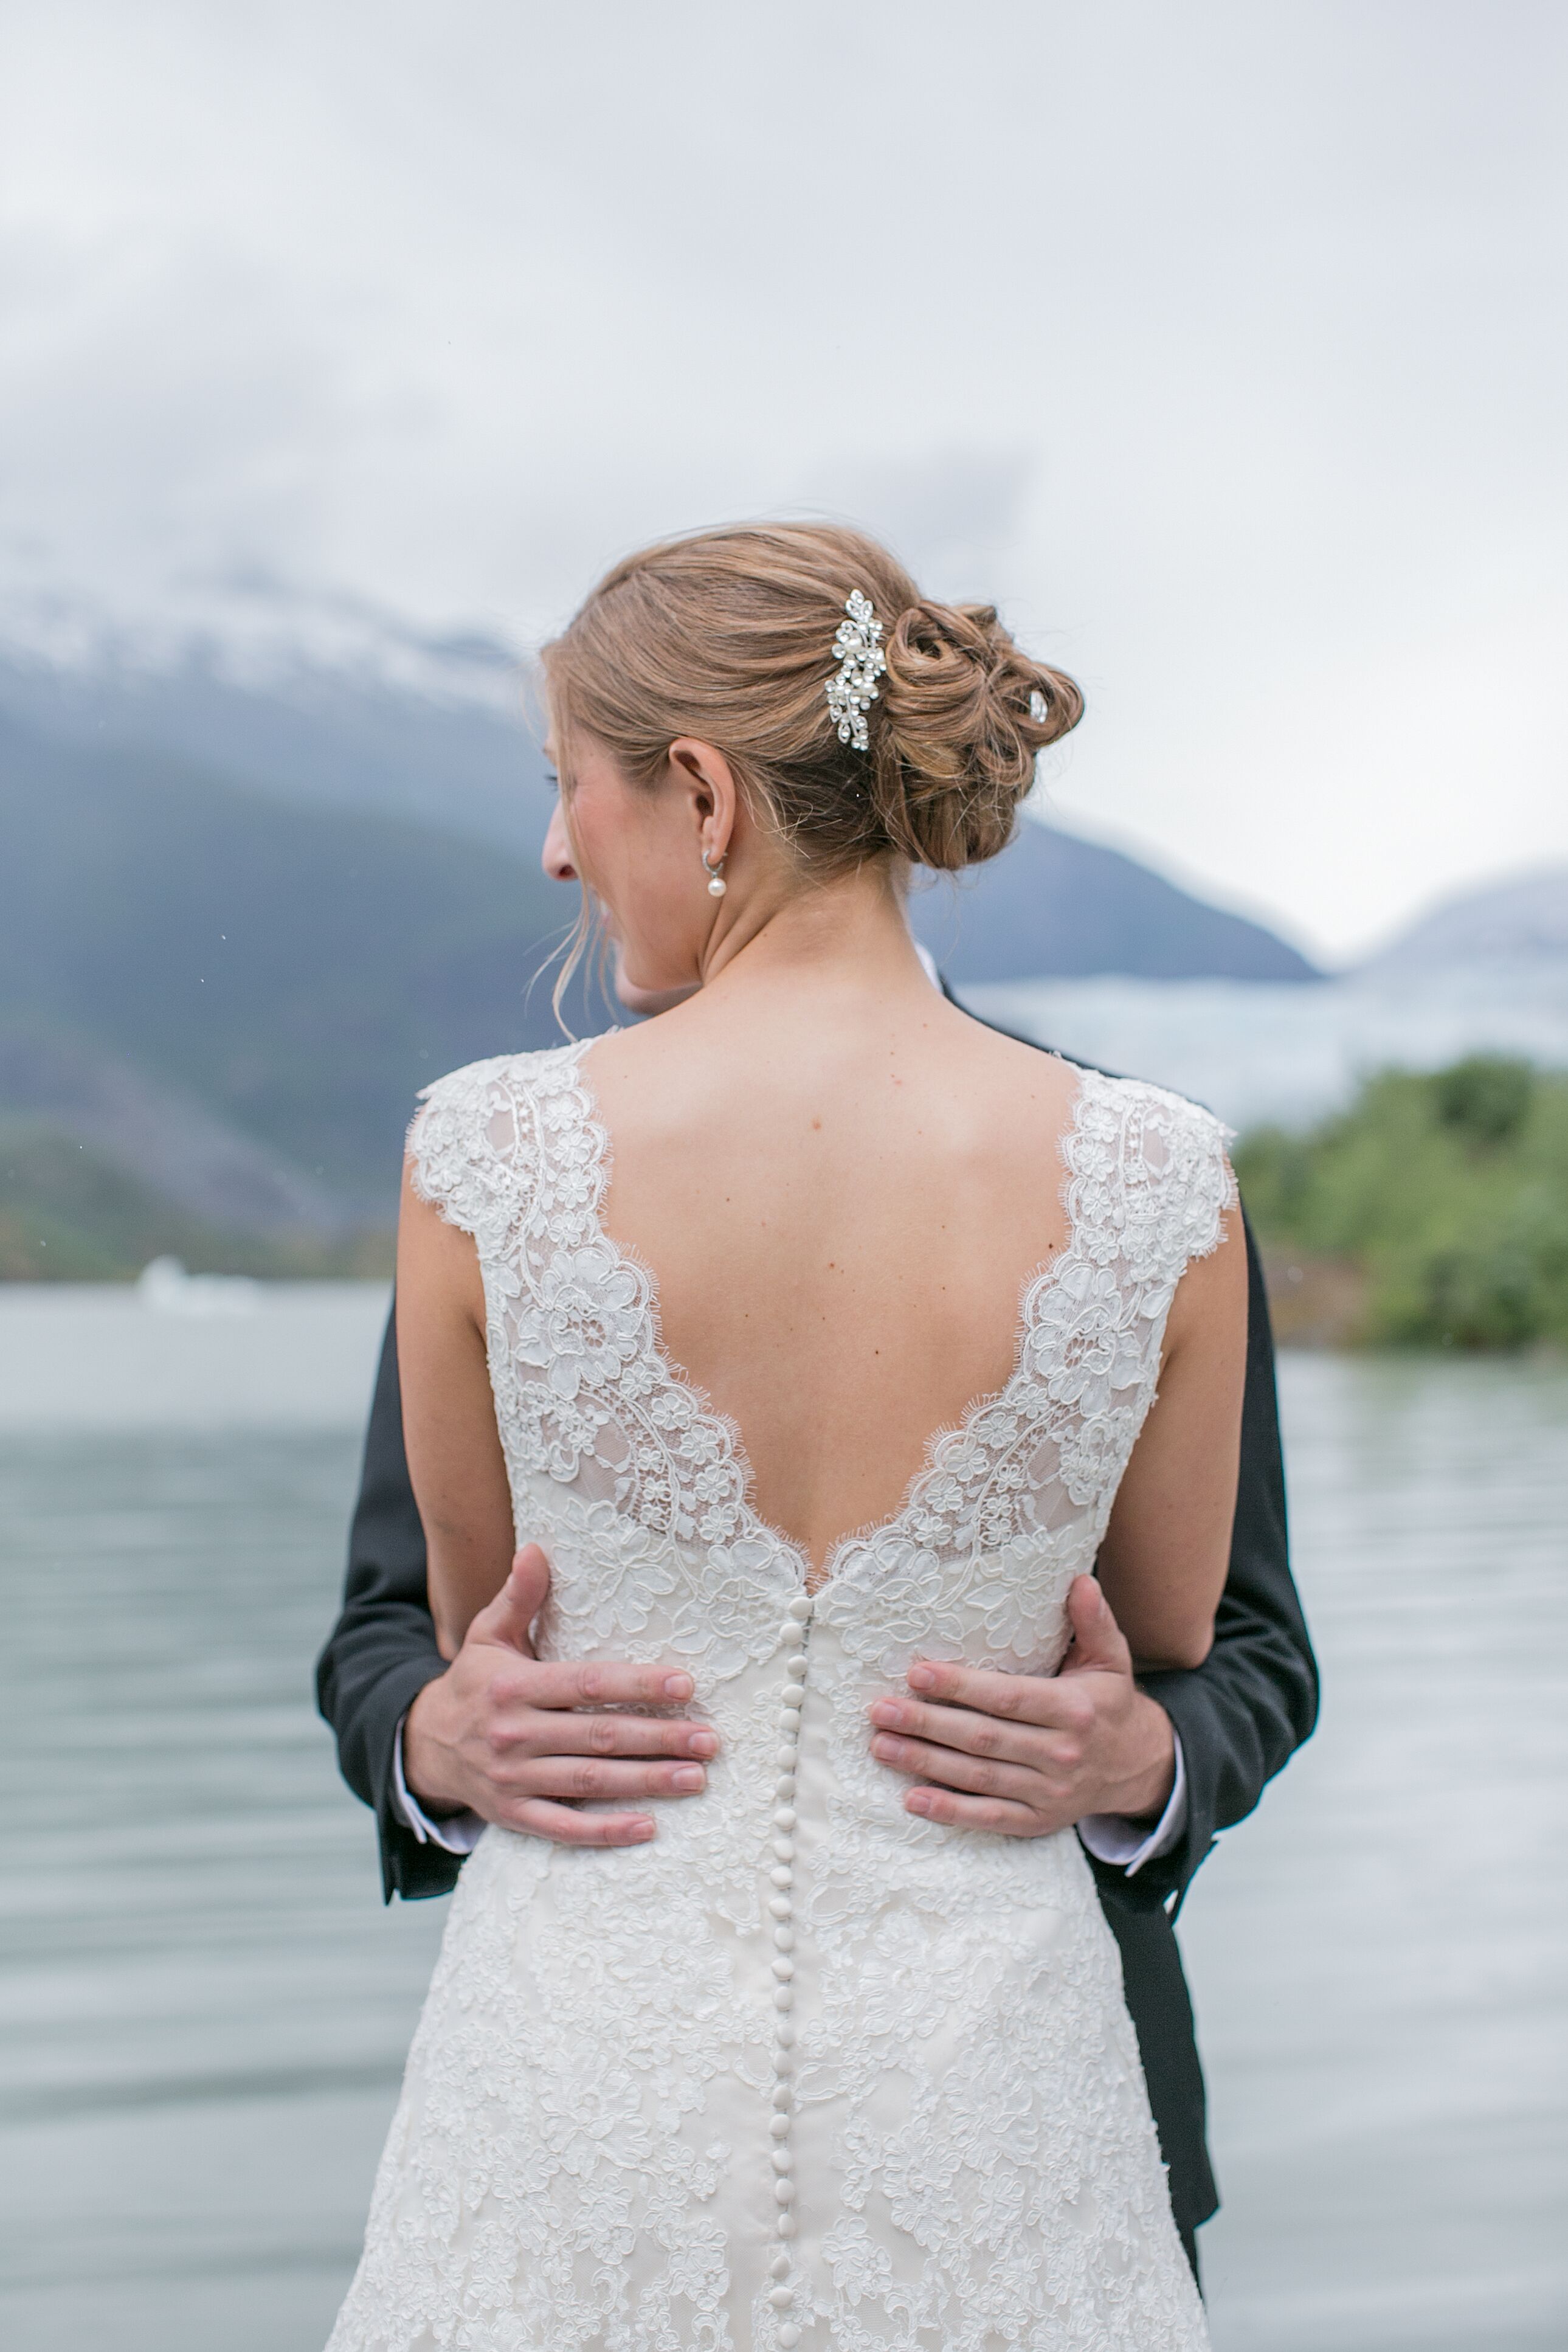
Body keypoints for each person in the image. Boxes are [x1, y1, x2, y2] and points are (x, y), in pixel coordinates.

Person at [319, 524, 1317, 2350]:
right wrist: (429, 1733)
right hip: (995, 2114)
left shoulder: (485, 1157)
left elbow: (494, 1600)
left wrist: (1138, 1760)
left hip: (579, 2103)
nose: (555, 850)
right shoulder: (1153, 1172)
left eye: (571, 789)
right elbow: (417, 1658)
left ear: (699, 791)